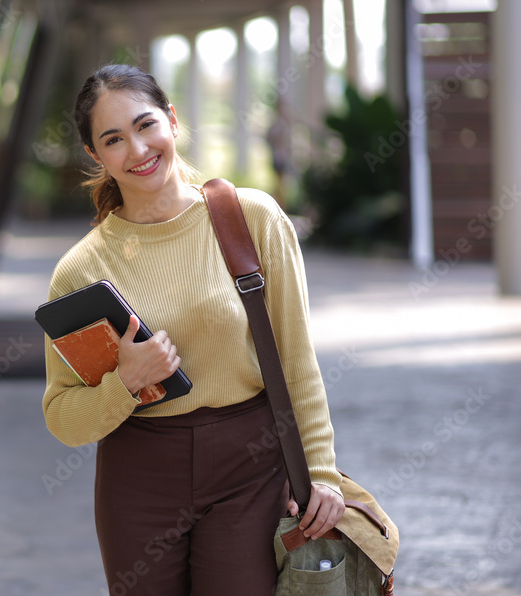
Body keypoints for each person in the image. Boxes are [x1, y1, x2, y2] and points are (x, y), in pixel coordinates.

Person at [41, 64, 343, 595]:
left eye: (145, 125)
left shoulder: (252, 220)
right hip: (137, 475)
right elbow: (63, 418)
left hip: (249, 468)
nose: (137, 149)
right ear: (95, 155)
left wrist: (321, 472)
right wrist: (125, 382)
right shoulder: (81, 271)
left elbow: (297, 361)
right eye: (113, 139)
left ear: (172, 120)